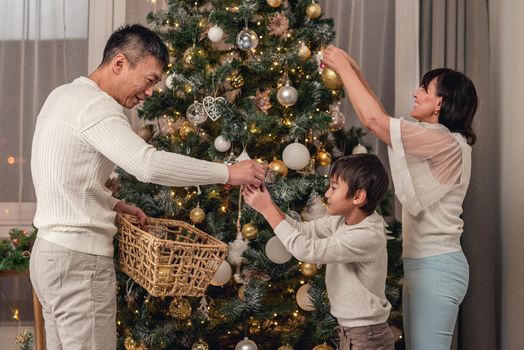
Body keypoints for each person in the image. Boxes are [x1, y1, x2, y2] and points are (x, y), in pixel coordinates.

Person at [29, 24, 266, 350]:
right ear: (119, 63)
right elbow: (147, 165)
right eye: (151, 79)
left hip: (50, 254)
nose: (152, 91)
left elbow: (62, 173)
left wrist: (112, 205)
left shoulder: (65, 95)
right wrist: (228, 172)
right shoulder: (97, 107)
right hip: (78, 262)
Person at [322, 45, 478, 350]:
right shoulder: (437, 139)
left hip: (436, 266)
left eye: (424, 89)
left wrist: (341, 68)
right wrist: (354, 72)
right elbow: (383, 121)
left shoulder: (443, 141)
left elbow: (375, 122)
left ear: (440, 103)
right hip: (425, 265)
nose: (415, 93)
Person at [243, 154, 395, 350]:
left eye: (333, 187)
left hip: (367, 336)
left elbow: (306, 249)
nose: (327, 194)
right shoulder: (342, 220)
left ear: (358, 196)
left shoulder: (367, 235)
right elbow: (303, 231)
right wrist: (268, 205)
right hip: (353, 332)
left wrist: (267, 210)